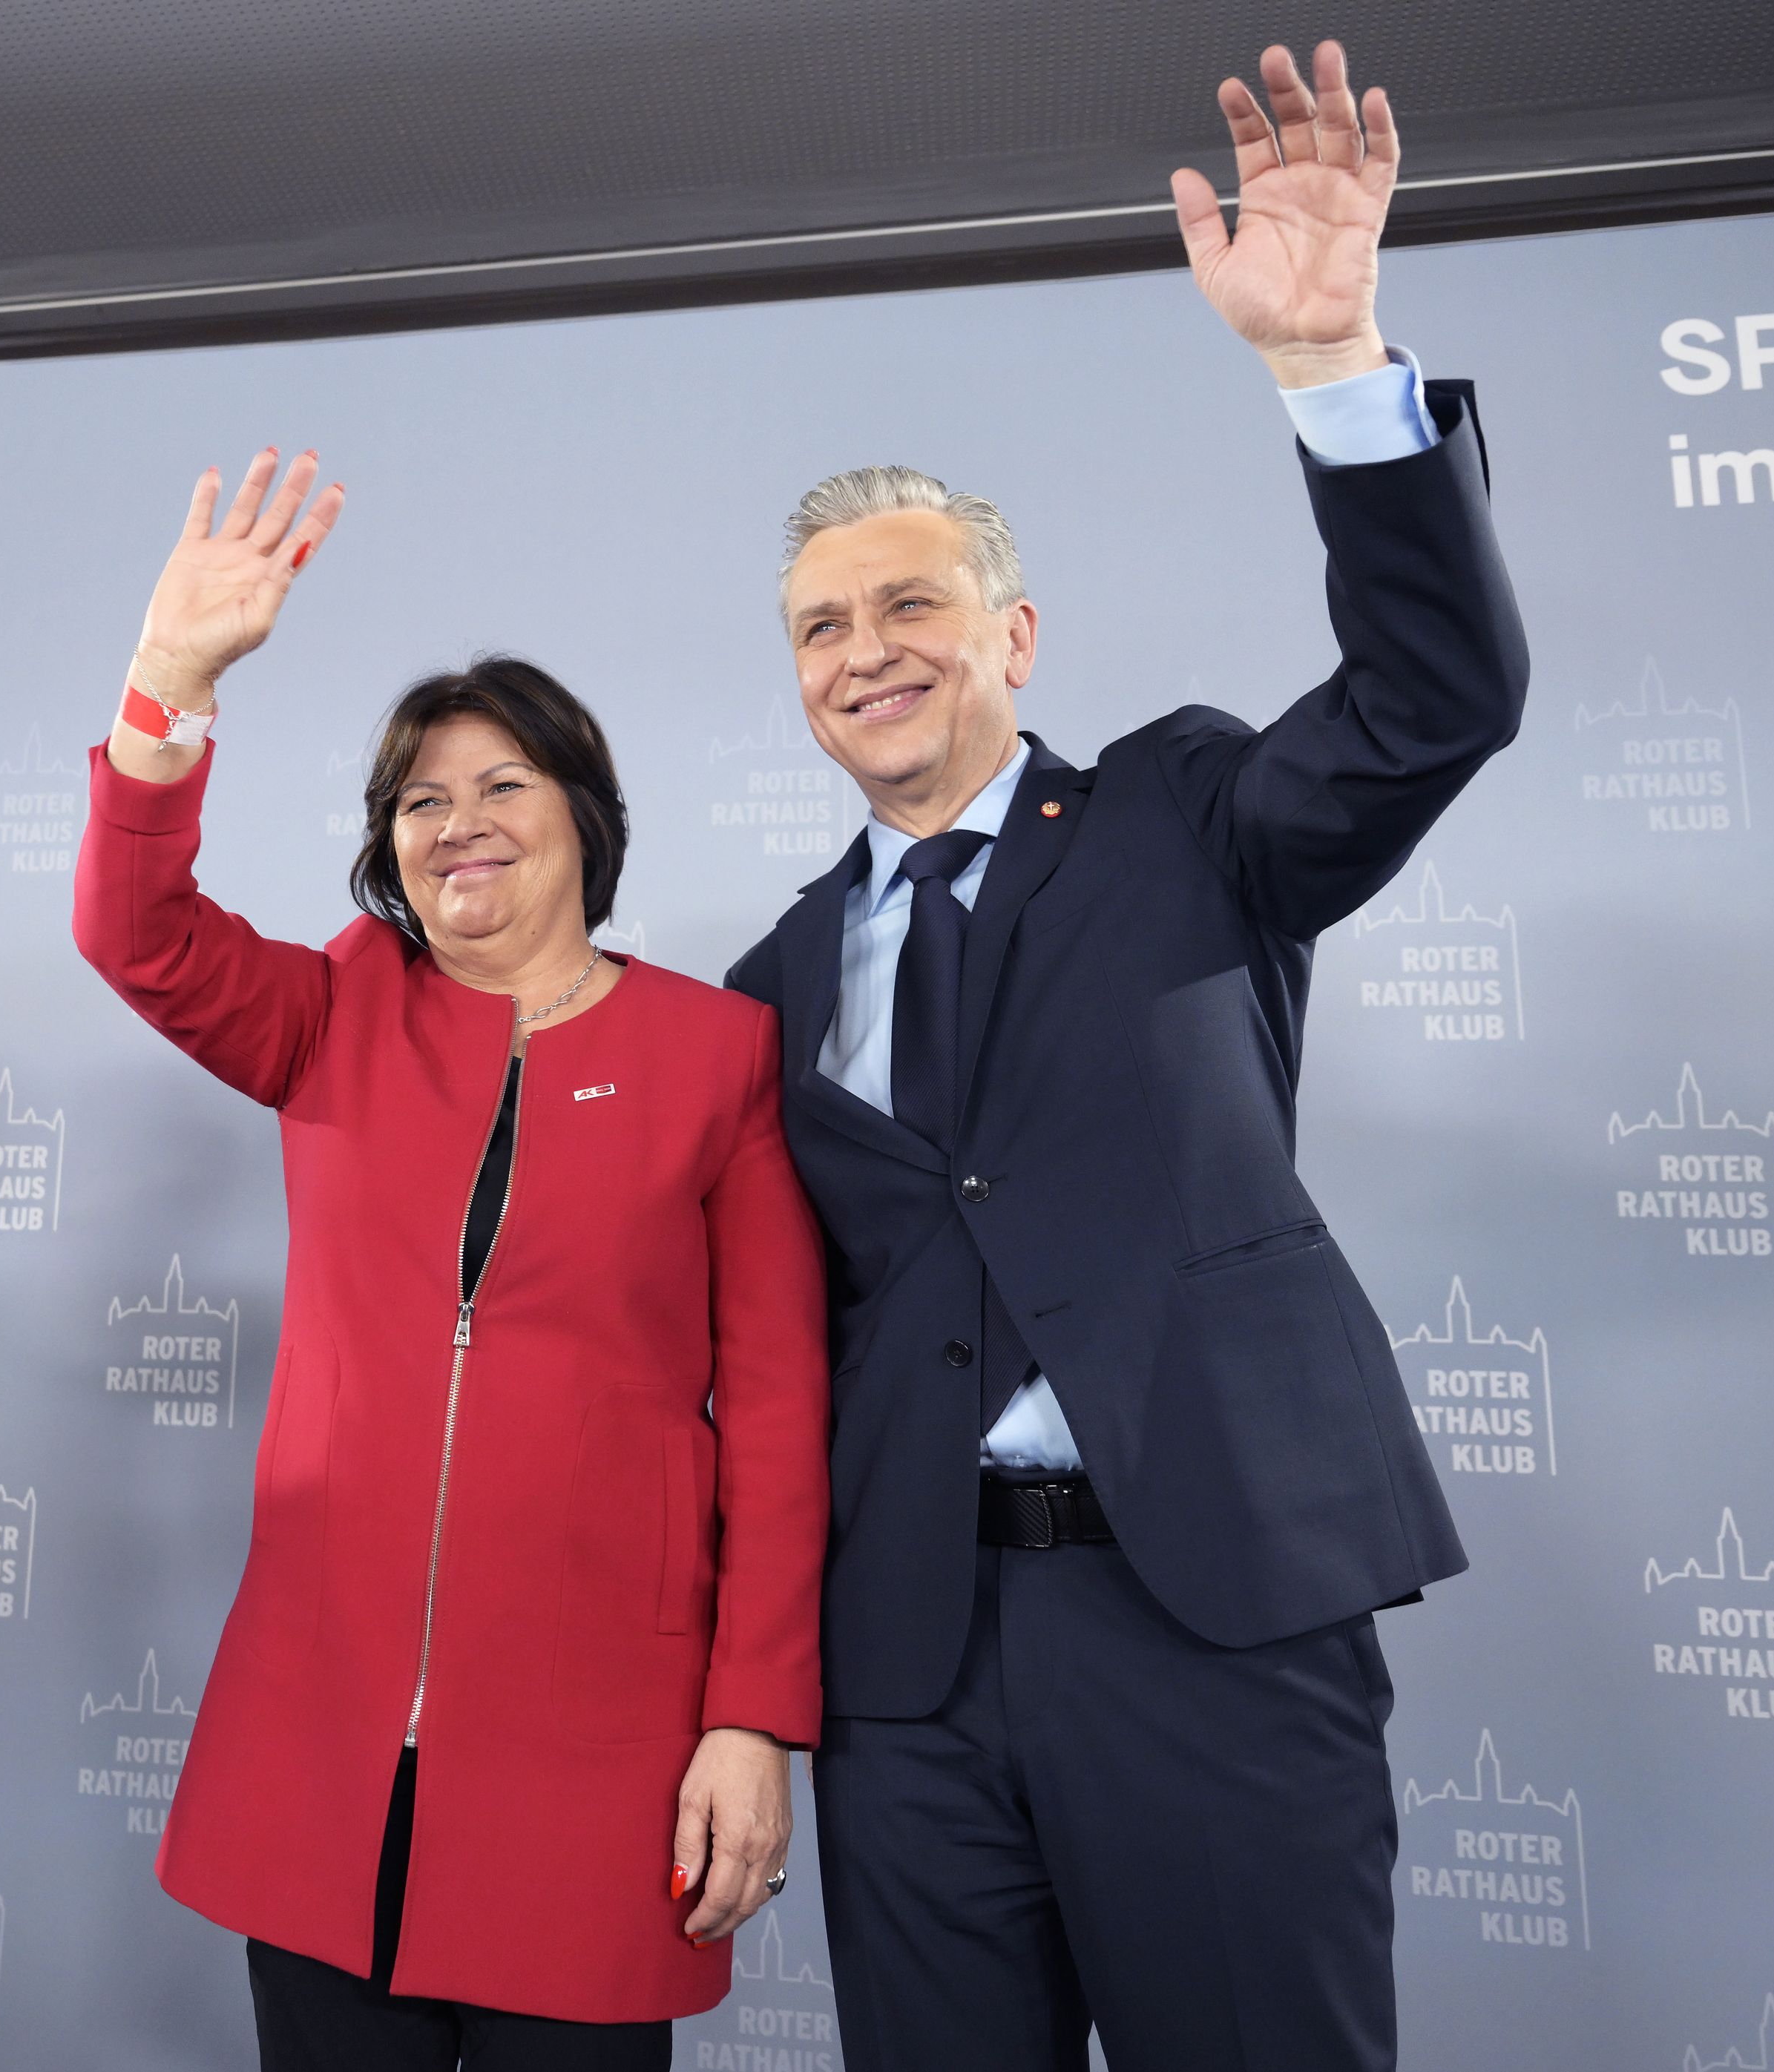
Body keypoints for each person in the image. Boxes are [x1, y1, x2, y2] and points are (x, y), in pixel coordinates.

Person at [723, 42, 1528, 2072]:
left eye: (912, 603)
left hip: (1212, 1615)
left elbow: (1437, 697)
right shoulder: (764, 977)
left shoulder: (1188, 817)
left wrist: (1333, 365)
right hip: (908, 1663)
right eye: (822, 628)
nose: (865, 649)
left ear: (1014, 637)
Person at [73, 453, 832, 2068]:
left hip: (600, 1762)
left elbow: (772, 1421)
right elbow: (132, 930)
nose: (457, 823)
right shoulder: (334, 1006)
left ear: (582, 815)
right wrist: (171, 680)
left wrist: (753, 1716)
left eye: (500, 785)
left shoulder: (717, 1055)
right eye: (420, 798)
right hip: (326, 1754)